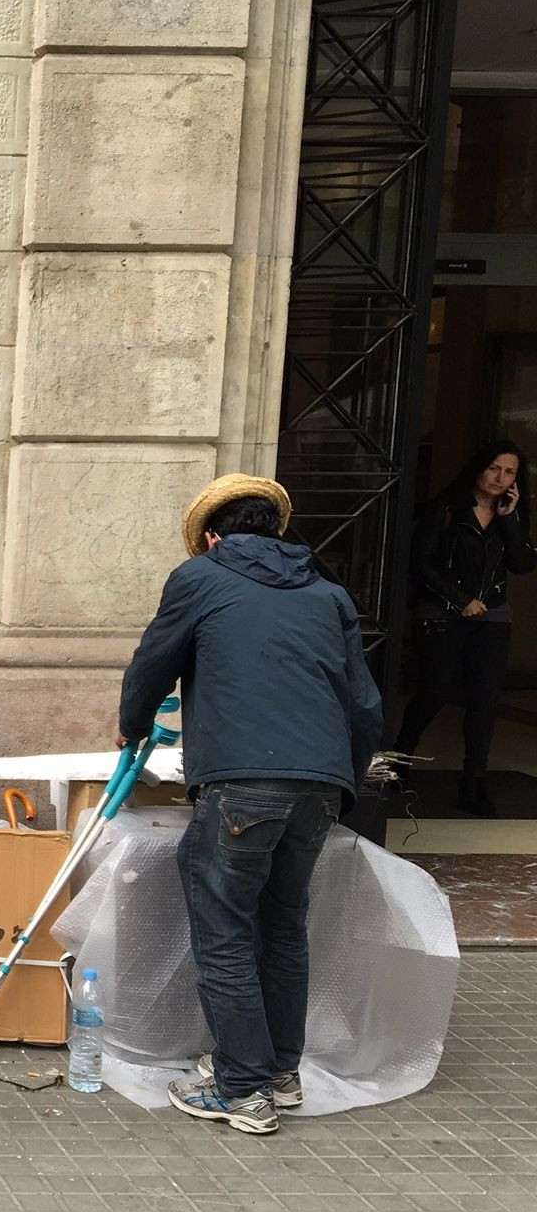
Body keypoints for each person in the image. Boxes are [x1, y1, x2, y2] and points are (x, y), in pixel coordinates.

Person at [119, 475, 382, 1137]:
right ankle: (280, 1074)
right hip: (320, 786)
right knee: (283, 925)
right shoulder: (330, 595)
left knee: (227, 929)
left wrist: (134, 723)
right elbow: (367, 706)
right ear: (280, 532)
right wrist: (341, 783)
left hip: (242, 784)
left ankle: (241, 1089)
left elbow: (153, 664)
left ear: (211, 538)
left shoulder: (198, 580)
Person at [392, 442, 533, 817]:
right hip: (443, 612)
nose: (500, 478)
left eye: (509, 473)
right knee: (435, 691)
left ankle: (473, 783)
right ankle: (399, 759)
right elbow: (422, 562)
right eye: (494, 469)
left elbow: (522, 564)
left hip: (493, 617)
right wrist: (460, 599)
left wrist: (509, 518)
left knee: (485, 700)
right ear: (478, 468)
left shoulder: (511, 513)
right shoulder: (449, 508)